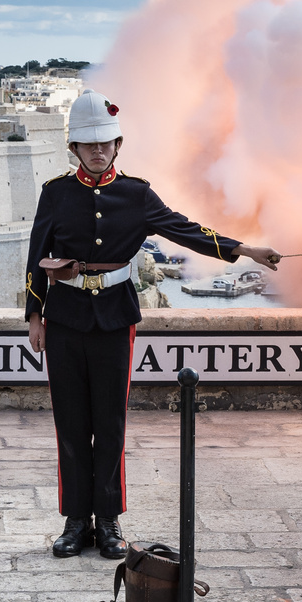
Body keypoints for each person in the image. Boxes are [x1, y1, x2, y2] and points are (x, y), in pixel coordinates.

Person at [25, 90, 281, 560]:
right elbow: (36, 255)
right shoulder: (56, 194)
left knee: (111, 423)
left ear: (117, 146)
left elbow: (187, 230)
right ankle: (74, 520)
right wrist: (34, 315)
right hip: (64, 319)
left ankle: (108, 521)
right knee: (71, 424)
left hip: (115, 318)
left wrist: (244, 250)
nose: (98, 151)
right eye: (89, 144)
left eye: (105, 143)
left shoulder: (137, 195)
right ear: (75, 149)